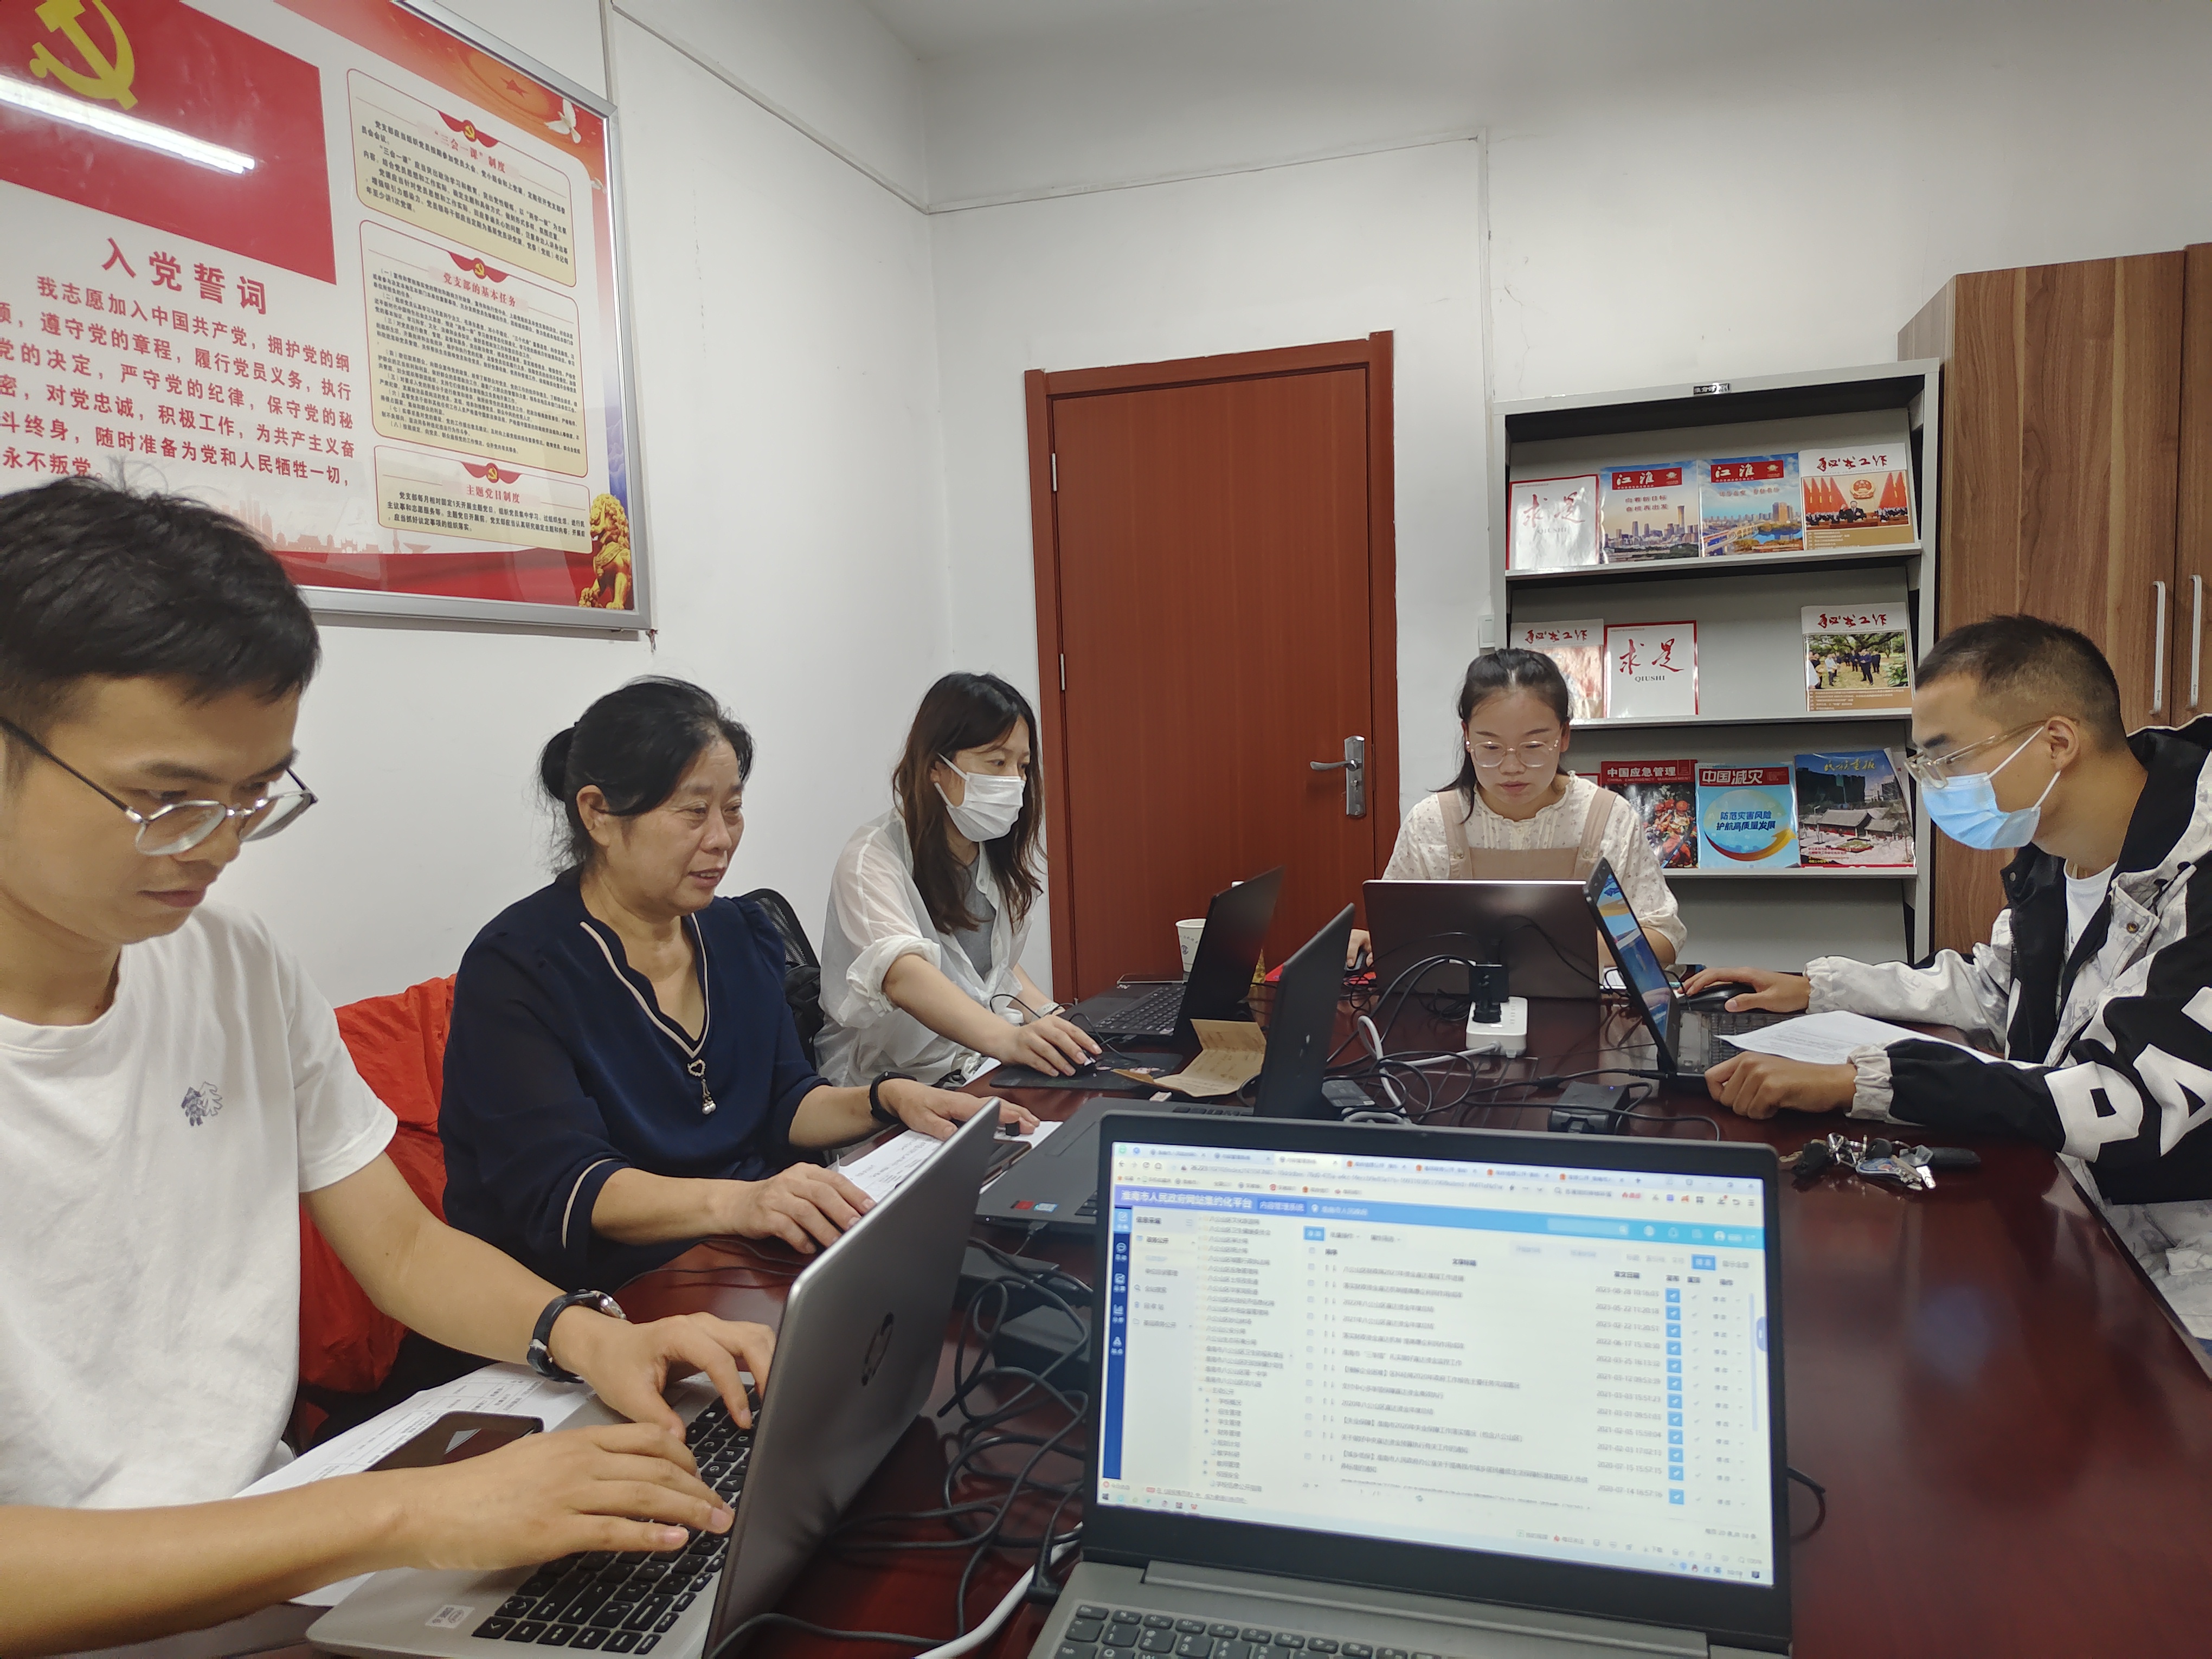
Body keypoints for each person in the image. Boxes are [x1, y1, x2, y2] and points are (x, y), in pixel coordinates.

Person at [0, 480, 774, 1655]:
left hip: (276, 1568)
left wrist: (589, 1336)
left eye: (253, 795)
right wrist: (406, 1514)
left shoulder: (233, 965)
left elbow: (402, 1249)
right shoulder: (527, 955)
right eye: (167, 799)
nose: (219, 845)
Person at [1689, 615, 2212, 1338]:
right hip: (2072, 1208)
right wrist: (1818, 989)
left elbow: (2125, 1100)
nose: (1933, 785)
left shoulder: (2197, 884)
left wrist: (1866, 1082)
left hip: (2182, 1271)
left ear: (2057, 742)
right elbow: (1996, 988)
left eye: (1948, 758)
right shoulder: (2056, 853)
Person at [440, 679, 1033, 1288]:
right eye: (694, 812)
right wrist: (741, 1202)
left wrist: (888, 1099)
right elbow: (569, 1187)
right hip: (609, 1290)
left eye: (733, 809)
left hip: (747, 1257)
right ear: (598, 814)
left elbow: (786, 1102)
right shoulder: (518, 967)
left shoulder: (736, 934)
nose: (721, 839)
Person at [818, 673, 1100, 1085]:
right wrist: (1009, 1040)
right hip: (892, 1084)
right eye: (997, 762)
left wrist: (1057, 1021)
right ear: (936, 766)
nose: (1015, 782)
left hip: (974, 1065)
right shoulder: (871, 859)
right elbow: (902, 975)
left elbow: (992, 972)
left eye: (1023, 766)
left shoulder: (987, 851)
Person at [1351, 648, 1686, 966]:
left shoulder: (1606, 820)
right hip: (1456, 1004)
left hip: (1583, 1004)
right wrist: (1372, 940)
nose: (1512, 767)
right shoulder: (1433, 823)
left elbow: (1662, 938)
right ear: (1467, 736)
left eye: (1533, 746)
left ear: (1564, 735)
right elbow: (1395, 932)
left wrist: (1532, 949)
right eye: (1491, 747)